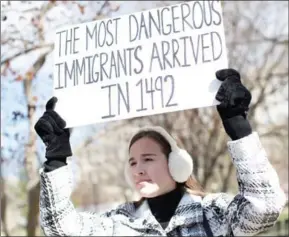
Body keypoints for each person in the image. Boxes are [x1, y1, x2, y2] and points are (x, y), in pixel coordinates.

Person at [34, 69, 286, 236]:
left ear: (176, 164)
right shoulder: (118, 222)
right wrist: (56, 158)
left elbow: (265, 208)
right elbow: (61, 229)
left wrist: (238, 129)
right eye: (132, 162)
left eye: (148, 158)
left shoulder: (213, 212)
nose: (138, 168)